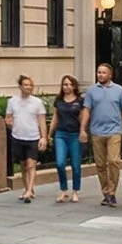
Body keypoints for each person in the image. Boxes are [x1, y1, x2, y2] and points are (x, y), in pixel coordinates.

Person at [84, 63, 122, 207]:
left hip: (114, 131)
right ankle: (105, 192)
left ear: (110, 75)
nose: (101, 75)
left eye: (104, 73)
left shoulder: (119, 90)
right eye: (99, 72)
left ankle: (112, 192)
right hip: (97, 131)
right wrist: (82, 129)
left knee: (113, 161)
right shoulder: (91, 91)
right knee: (100, 165)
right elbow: (86, 110)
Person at [5, 75, 47, 202]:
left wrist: (44, 137)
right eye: (26, 85)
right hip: (18, 136)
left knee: (31, 164)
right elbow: (8, 117)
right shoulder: (12, 101)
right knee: (23, 164)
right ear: (20, 86)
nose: (28, 87)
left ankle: (29, 191)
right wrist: (9, 122)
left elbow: (42, 121)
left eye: (30, 85)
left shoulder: (37, 102)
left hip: (33, 137)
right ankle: (28, 188)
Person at [48, 75, 89, 204]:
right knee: (60, 163)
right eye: (65, 84)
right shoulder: (58, 100)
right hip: (61, 134)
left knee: (76, 165)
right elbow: (55, 117)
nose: (67, 87)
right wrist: (49, 134)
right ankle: (64, 190)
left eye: (70, 84)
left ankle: (75, 191)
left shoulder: (80, 101)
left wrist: (83, 131)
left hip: (74, 135)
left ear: (75, 86)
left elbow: (83, 118)